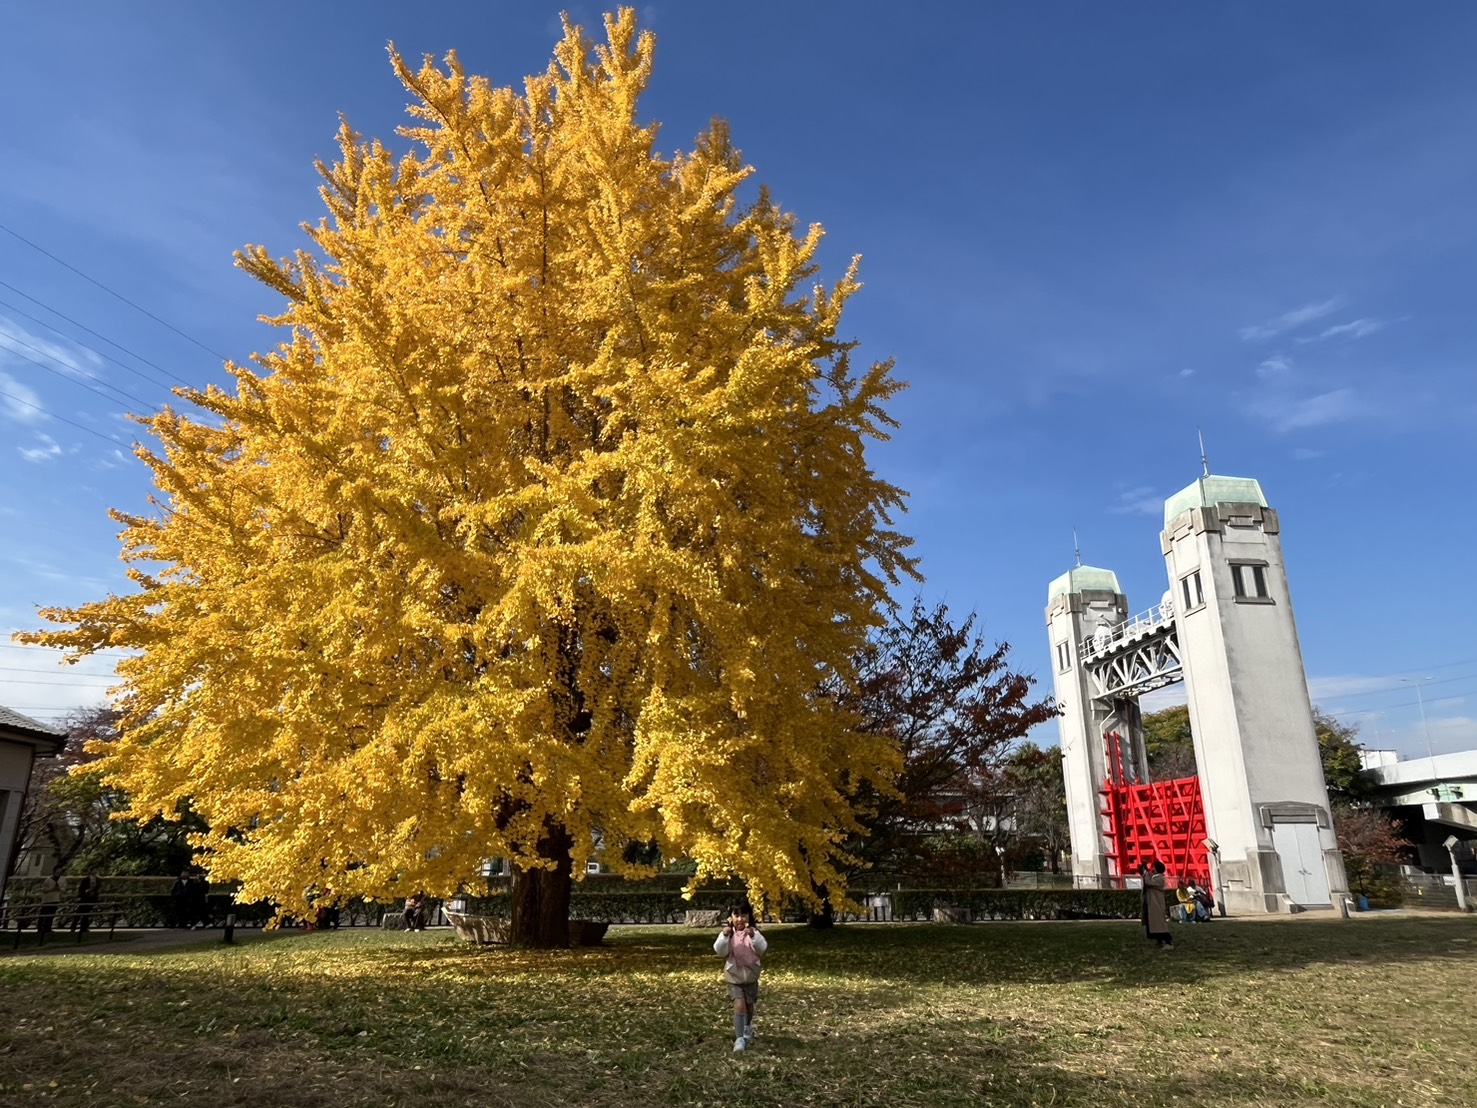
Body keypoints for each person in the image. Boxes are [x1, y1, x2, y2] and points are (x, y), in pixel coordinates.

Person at [714, 901, 768, 1052]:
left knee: (749, 1006)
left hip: (751, 976)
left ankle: (747, 1027)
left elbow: (762, 948)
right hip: (734, 976)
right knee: (739, 1005)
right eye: (736, 915)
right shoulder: (728, 934)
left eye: (743, 915)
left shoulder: (754, 933)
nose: (740, 919)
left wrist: (753, 936)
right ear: (731, 917)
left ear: (749, 917)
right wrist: (724, 937)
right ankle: (739, 1040)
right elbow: (720, 951)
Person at [1139, 860, 1173, 950]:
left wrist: (1145, 871)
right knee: (1154, 923)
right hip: (1152, 902)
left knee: (1159, 924)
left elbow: (1148, 882)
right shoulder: (1155, 877)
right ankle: (1159, 941)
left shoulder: (1160, 878)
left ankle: (1168, 942)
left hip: (1155, 903)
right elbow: (1148, 878)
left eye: (1154, 867)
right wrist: (1144, 872)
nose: (1152, 869)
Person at [37, 866, 66, 939]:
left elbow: (64, 888)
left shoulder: (62, 879)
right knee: (44, 914)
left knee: (51, 914)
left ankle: (48, 928)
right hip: (47, 899)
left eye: (60, 870)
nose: (58, 871)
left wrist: (59, 889)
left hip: (56, 898)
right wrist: (51, 889)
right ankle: (40, 928)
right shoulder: (49, 879)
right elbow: (43, 889)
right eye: (57, 870)